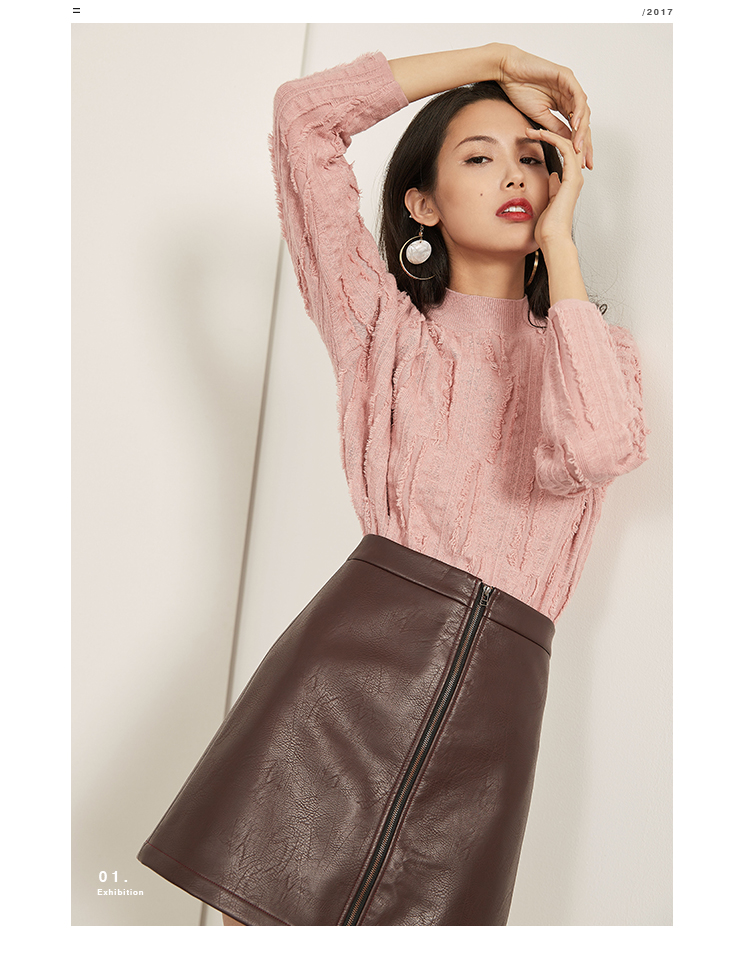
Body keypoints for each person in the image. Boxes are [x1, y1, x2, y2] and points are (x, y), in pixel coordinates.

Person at [137, 42, 647, 927]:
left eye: (534, 156)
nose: (513, 175)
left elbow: (597, 446)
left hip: (495, 703)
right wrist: (491, 57)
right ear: (422, 202)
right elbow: (303, 117)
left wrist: (561, 248)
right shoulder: (379, 327)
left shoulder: (598, 354)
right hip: (344, 685)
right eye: (478, 157)